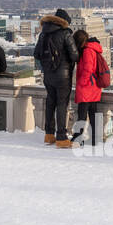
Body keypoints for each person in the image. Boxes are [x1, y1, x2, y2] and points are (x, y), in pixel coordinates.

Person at [34, 8, 78, 147]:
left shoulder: (43, 34)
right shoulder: (65, 34)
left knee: (50, 103)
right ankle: (61, 137)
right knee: (61, 105)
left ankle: (49, 134)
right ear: (65, 22)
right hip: (63, 76)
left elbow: (36, 54)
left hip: (48, 75)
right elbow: (74, 55)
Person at [72, 28, 106, 146]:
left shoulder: (87, 51)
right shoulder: (92, 49)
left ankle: (78, 138)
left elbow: (88, 69)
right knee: (92, 115)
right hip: (94, 87)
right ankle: (95, 139)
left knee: (82, 114)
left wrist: (81, 83)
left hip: (87, 88)